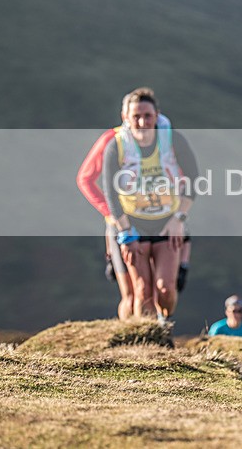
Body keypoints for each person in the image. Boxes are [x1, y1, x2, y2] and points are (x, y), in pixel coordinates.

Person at [76, 91, 193, 320]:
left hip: (162, 219)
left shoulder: (167, 140)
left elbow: (184, 176)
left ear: (157, 116)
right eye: (135, 116)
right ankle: (131, 344)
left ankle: (157, 331)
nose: (142, 122)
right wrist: (111, 215)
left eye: (148, 116)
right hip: (122, 223)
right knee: (133, 294)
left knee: (160, 289)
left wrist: (177, 213)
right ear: (125, 116)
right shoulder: (112, 141)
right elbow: (86, 179)